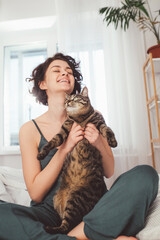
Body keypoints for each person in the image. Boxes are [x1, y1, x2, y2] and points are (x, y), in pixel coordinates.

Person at [0, 52, 158, 240]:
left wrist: (99, 141)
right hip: (52, 212)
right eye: (57, 70)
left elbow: (109, 171)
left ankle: (77, 234)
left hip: (97, 206)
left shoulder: (94, 115)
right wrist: (65, 148)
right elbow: (36, 194)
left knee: (145, 175)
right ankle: (92, 235)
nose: (65, 74)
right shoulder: (29, 129)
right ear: (42, 84)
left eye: (69, 72)